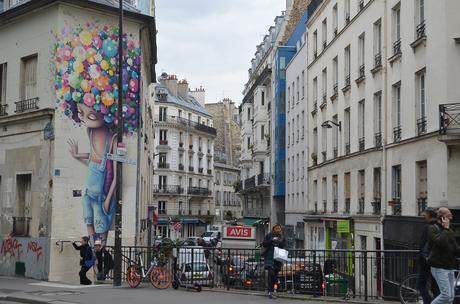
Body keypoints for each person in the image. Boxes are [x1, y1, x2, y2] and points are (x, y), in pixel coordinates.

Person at [428, 207, 460, 304]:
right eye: (449, 215)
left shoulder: (449, 231)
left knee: (450, 298)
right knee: (446, 295)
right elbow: (440, 242)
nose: (451, 217)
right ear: (442, 217)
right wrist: (445, 228)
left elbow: (455, 247)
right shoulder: (432, 228)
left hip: (449, 267)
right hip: (439, 267)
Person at [417, 207, 439, 304]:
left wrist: (423, 257)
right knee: (434, 285)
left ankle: (428, 301)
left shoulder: (428, 227)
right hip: (435, 260)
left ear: (429, 215)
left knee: (420, 284)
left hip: (427, 261)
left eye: (425, 214)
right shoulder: (437, 225)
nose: (423, 216)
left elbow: (425, 244)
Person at [262, 224, 286, 299]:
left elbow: (283, 246)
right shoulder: (269, 235)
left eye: (279, 228)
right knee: (271, 274)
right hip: (269, 256)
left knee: (275, 275)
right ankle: (270, 292)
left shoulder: (282, 237)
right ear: (273, 229)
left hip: (277, 258)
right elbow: (264, 244)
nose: (278, 229)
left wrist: (279, 241)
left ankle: (272, 290)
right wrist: (271, 240)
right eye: (276, 228)